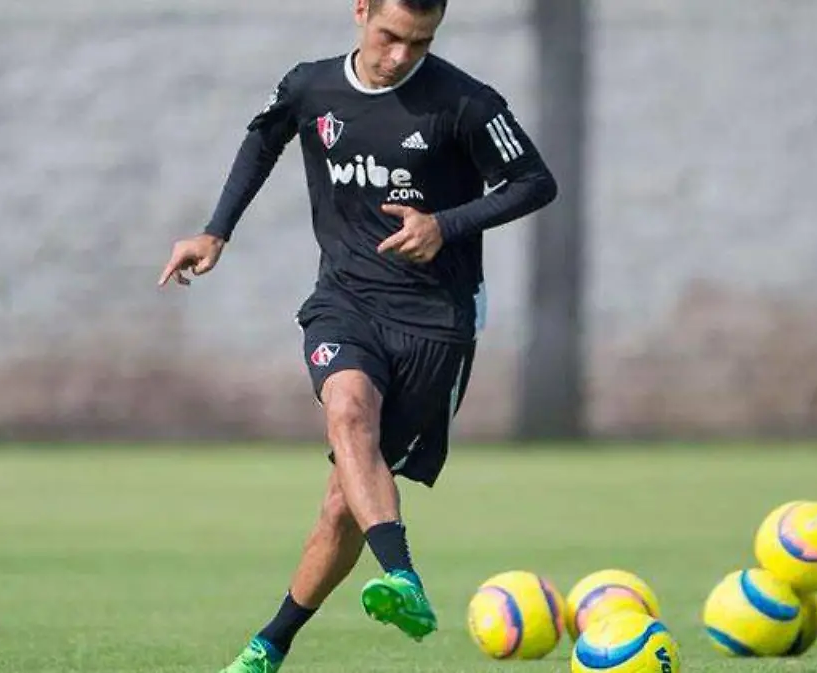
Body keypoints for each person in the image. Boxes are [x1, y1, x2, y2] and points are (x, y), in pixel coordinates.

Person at [157, 0, 558, 670]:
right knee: (346, 409)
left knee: (343, 505)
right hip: (344, 300)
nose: (401, 55)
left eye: (420, 42)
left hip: (435, 320)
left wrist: (444, 225)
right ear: (360, 10)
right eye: (390, 35)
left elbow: (534, 183)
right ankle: (402, 574)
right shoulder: (311, 86)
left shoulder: (466, 103)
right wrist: (215, 230)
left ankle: (270, 643)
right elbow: (263, 140)